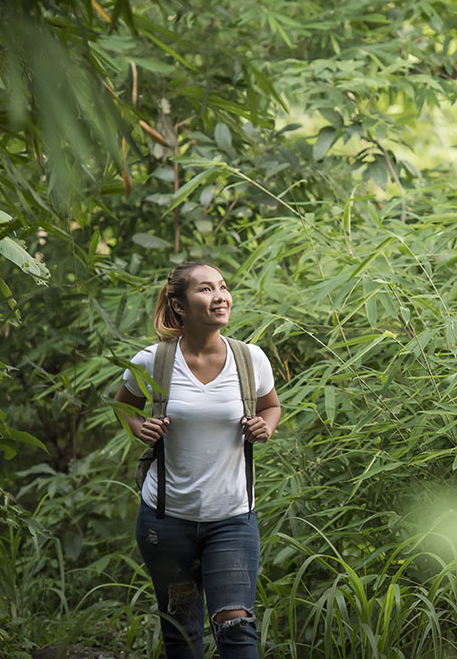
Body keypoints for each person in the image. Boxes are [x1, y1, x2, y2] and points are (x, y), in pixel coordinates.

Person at [115, 261, 281, 659]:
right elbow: (124, 407)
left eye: (222, 287)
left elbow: (272, 406)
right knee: (182, 635)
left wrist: (266, 426)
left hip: (233, 517)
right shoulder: (152, 361)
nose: (220, 296)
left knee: (237, 628)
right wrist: (140, 428)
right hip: (166, 520)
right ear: (180, 306)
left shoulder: (250, 359)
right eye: (205, 290)